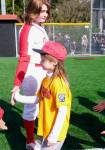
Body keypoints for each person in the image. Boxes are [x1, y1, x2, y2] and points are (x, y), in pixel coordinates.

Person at [14, 41, 72, 150]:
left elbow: (62, 110)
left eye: (43, 59)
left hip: (55, 133)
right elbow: (37, 99)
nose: (40, 61)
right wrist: (18, 97)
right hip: (45, 127)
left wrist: (54, 135)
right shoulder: (46, 79)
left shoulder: (59, 84)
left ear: (54, 62)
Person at [10, 0, 50, 149]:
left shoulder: (38, 27)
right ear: (33, 11)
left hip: (43, 71)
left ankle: (41, 135)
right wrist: (16, 84)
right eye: (42, 11)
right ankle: (30, 142)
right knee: (30, 108)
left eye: (46, 11)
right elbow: (24, 58)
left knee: (43, 104)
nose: (45, 14)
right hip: (32, 72)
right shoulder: (27, 29)